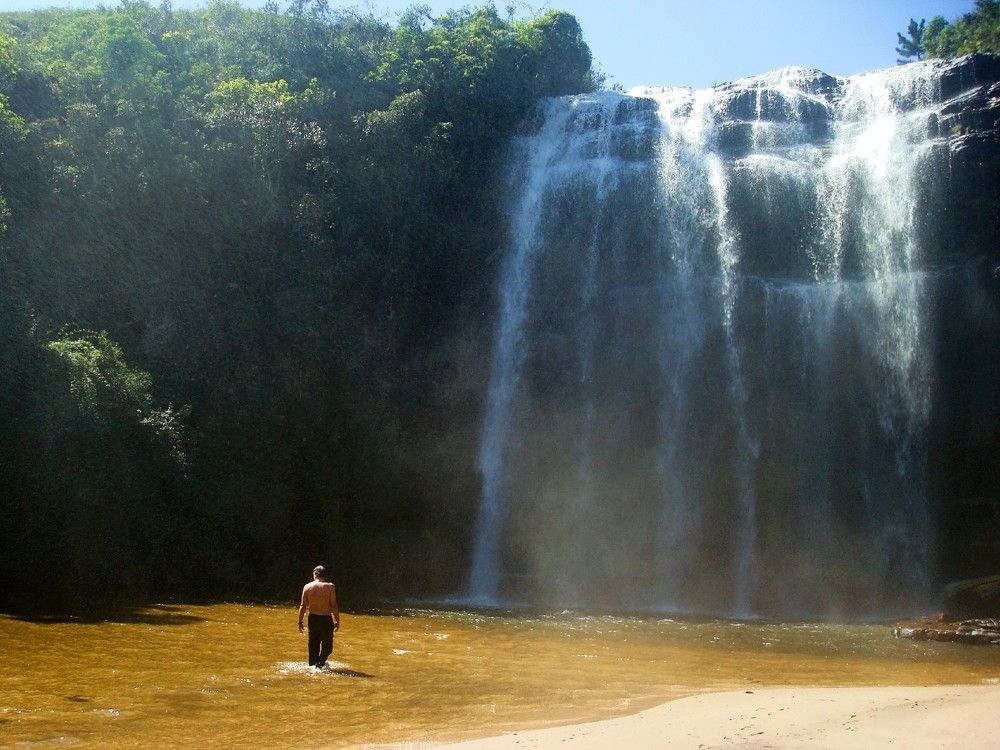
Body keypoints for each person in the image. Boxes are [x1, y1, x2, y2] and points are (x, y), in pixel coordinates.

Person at [298, 565, 340, 668]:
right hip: (326, 619)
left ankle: (314, 667)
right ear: (324, 576)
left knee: (313, 646)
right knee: (328, 647)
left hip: (313, 619)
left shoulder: (307, 587)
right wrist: (337, 620)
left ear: (315, 574)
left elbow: (303, 606)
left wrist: (300, 621)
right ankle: (320, 664)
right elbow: (333, 605)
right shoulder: (330, 587)